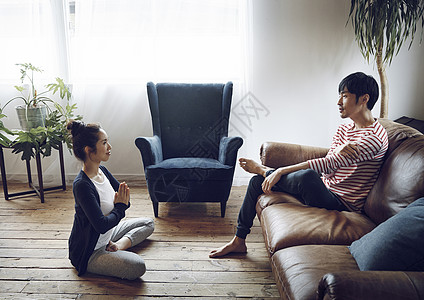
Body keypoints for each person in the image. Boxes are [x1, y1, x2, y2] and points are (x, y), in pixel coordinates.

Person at [209, 72, 389, 258]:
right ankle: (238, 241)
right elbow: (332, 162)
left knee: (307, 176)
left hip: (342, 203)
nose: (338, 102)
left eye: (344, 96)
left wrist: (280, 171)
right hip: (325, 189)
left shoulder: (373, 138)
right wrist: (338, 150)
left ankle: (265, 170)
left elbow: (328, 164)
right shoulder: (345, 128)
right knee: (256, 182)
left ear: (364, 99)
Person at [67, 120, 154, 280]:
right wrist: (119, 208)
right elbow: (101, 224)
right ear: (89, 150)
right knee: (138, 267)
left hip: (109, 231)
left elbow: (126, 200)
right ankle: (112, 248)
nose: (110, 147)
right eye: (104, 143)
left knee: (149, 223)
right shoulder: (82, 185)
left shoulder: (103, 171)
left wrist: (120, 206)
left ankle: (117, 246)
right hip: (91, 251)